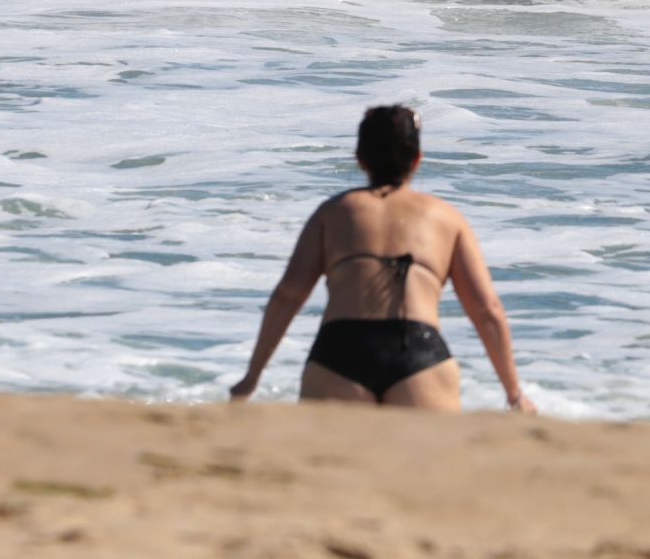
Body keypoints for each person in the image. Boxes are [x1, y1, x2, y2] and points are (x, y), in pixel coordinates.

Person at [229, 104, 538, 412]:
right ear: (417, 159)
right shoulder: (446, 218)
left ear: (359, 159)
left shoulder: (332, 213)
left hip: (339, 352)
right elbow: (486, 308)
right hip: (419, 352)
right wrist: (514, 394)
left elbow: (288, 294)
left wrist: (251, 378)